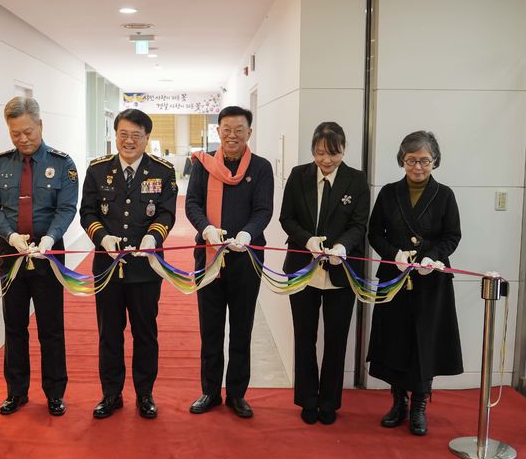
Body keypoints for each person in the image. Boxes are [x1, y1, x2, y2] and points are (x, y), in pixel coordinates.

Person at [0, 97, 79, 416]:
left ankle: (55, 392)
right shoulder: (0, 164)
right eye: (15, 134)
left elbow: (67, 207)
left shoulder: (62, 164)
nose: (22, 139)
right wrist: (9, 235)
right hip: (12, 252)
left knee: (51, 325)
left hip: (48, 252)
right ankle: (16, 391)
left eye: (28, 132)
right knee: (14, 324)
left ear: (40, 125)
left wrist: (50, 238)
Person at [80, 108, 177, 419]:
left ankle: (145, 394)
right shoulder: (98, 170)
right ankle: (111, 394)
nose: (129, 141)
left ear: (147, 138)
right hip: (107, 268)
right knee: (109, 333)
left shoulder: (163, 171)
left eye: (136, 135)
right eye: (123, 134)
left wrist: (153, 237)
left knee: (145, 333)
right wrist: (102, 238)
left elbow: (166, 212)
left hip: (146, 268)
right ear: (115, 135)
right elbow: (87, 212)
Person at [367, 130, 463, 436]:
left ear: (435, 161)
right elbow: (374, 233)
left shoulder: (444, 195)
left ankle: (420, 405)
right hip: (395, 278)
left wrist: (432, 257)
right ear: (402, 160)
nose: (418, 167)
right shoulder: (388, 193)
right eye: (411, 160)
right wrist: (393, 254)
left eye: (424, 160)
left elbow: (452, 235)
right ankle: (399, 402)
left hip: (431, 281)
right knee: (395, 339)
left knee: (425, 342)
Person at [185, 105, 274, 418]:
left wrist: (248, 234)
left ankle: (237, 394)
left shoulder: (261, 168)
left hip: (246, 259)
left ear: (249, 132)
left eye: (239, 130)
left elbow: (263, 210)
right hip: (208, 258)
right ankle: (210, 391)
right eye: (226, 129)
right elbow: (192, 203)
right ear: (218, 131)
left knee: (241, 329)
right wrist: (206, 229)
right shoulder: (203, 164)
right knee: (210, 329)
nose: (232, 135)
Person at [279, 122, 369, 425]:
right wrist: (307, 240)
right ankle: (307, 399)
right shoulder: (299, 175)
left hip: (341, 272)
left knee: (336, 339)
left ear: (344, 150)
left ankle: (330, 401)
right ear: (312, 150)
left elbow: (359, 224)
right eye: (319, 153)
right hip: (302, 268)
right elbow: (286, 217)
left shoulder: (356, 180)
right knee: (304, 337)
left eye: (333, 153)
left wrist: (342, 246)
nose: (326, 160)